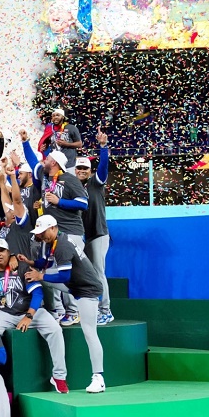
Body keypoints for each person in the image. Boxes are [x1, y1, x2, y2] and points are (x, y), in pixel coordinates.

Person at [27, 214, 106, 394]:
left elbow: (64, 276)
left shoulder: (62, 245)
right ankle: (54, 312)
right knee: (42, 279)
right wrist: (30, 262)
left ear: (53, 228)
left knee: (89, 332)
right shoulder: (54, 240)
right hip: (75, 286)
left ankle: (99, 378)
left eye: (43, 232)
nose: (41, 235)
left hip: (87, 290)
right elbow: (44, 263)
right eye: (39, 232)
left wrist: (40, 275)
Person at [21, 130, 88, 326]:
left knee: (69, 272)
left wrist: (60, 201)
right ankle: (60, 311)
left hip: (71, 232)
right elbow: (33, 162)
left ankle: (74, 311)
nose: (45, 160)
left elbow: (83, 203)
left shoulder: (70, 179)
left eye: (48, 158)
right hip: (52, 234)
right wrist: (25, 142)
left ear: (56, 163)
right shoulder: (45, 177)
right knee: (51, 270)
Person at [76, 127, 113, 325]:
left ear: (90, 171)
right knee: (87, 274)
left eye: (85, 168)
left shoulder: (95, 183)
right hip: (85, 236)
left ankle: (106, 310)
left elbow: (103, 168)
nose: (82, 171)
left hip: (98, 234)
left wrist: (103, 147)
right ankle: (92, 309)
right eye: (79, 168)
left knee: (98, 273)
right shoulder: (73, 186)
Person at [0, 240, 38, 334]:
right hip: (6, 314)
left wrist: (29, 315)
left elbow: (38, 293)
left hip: (30, 312)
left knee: (55, 329)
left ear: (8, 253)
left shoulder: (22, 267)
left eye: (2, 250)